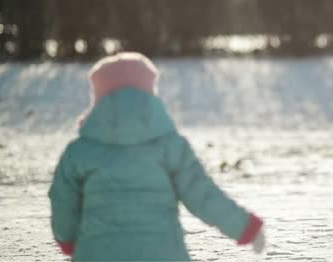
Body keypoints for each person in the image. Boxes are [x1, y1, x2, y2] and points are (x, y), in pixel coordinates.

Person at [48, 52, 265, 261]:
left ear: (98, 99)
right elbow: (203, 195)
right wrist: (244, 227)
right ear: (150, 95)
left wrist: (67, 240)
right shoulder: (170, 147)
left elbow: (63, 204)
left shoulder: (79, 152)